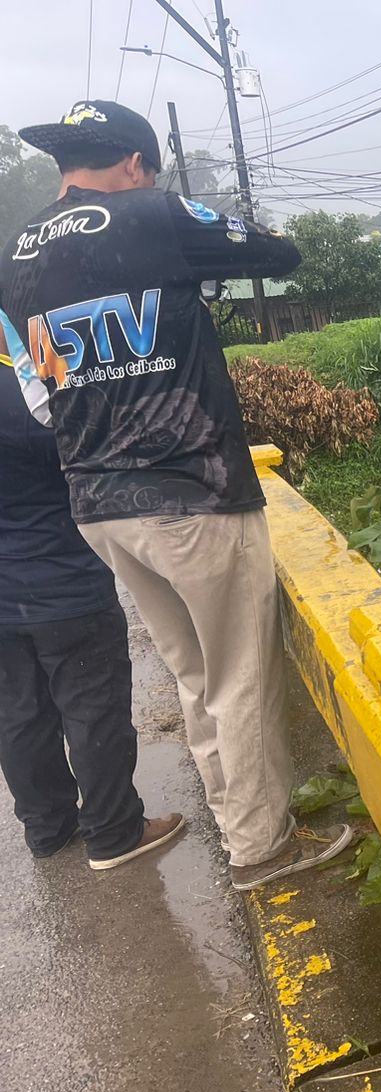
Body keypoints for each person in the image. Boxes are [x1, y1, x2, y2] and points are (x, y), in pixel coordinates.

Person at [0, 100, 350, 891]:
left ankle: (239, 824)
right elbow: (280, 254)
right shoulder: (150, 214)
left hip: (97, 504)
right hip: (190, 488)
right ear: (133, 164)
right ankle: (262, 850)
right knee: (238, 678)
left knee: (195, 677)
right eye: (145, 173)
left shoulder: (13, 255)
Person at [0, 330, 183, 867]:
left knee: (18, 711)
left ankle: (47, 829)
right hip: (62, 579)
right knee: (91, 705)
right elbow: (88, 439)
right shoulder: (34, 355)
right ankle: (114, 833)